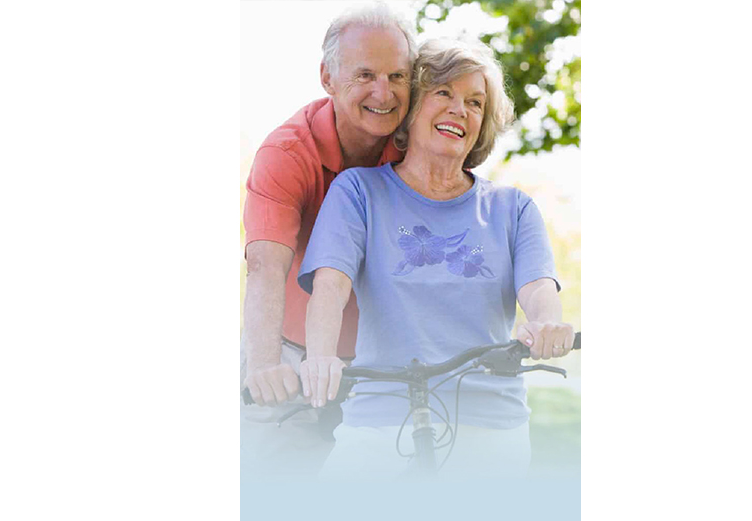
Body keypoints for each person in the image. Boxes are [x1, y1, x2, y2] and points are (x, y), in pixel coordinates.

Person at [296, 37, 576, 480]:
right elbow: (331, 286)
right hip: (381, 415)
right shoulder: (358, 192)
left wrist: (546, 325)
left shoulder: (512, 209)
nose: (459, 110)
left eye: (475, 103)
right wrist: (320, 356)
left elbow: (539, 289)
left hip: (490, 420)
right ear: (411, 110)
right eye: (443, 93)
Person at [240, 2, 416, 485]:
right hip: (289, 356)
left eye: (398, 76)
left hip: (381, 366)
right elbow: (264, 268)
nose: (384, 93)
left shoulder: (414, 144)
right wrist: (263, 365)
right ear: (327, 78)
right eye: (365, 75)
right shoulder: (286, 154)